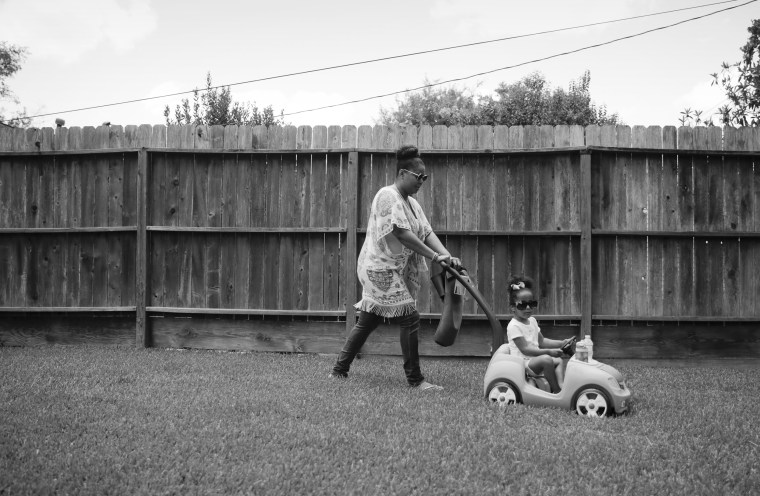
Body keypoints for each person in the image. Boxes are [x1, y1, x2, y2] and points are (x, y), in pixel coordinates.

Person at [330, 145, 462, 390]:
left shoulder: (412, 203)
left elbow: (427, 232)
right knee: (410, 317)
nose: (422, 181)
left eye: (425, 177)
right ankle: (416, 380)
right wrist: (435, 257)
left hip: (392, 270)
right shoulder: (387, 196)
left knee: (368, 321)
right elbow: (401, 233)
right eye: (418, 176)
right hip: (378, 270)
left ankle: (339, 370)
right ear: (403, 174)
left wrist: (448, 256)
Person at [505, 276, 574, 394]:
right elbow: (526, 350)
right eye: (522, 305)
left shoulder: (532, 320)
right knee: (547, 359)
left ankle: (560, 385)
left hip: (534, 360)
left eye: (531, 304)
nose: (528, 308)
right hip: (522, 363)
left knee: (558, 360)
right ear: (513, 307)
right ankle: (556, 392)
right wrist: (548, 352)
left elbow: (542, 341)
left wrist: (562, 342)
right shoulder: (514, 326)